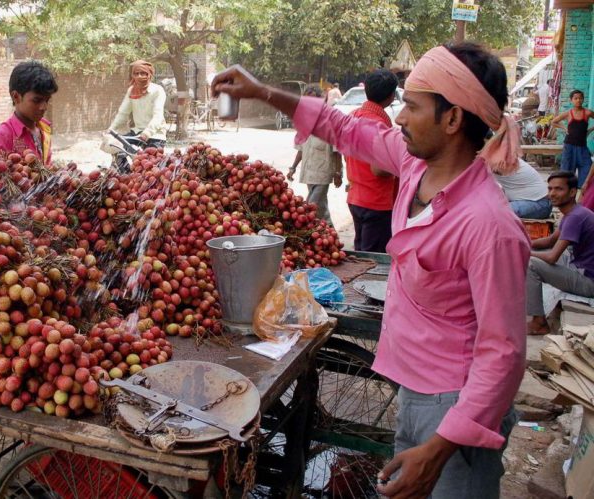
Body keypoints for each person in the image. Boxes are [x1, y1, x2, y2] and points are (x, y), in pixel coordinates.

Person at [213, 41, 529, 499]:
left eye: (413, 106)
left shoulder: (489, 226)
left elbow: (503, 356)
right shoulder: (414, 166)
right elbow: (341, 128)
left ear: (453, 119)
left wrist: (439, 450)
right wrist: (263, 92)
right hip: (415, 391)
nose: (399, 117)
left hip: (456, 410)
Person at [526, 171, 594, 334]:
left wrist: (524, 252)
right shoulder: (574, 213)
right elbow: (549, 241)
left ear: (572, 192)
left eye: (558, 189)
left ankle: (539, 322)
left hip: (590, 281)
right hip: (580, 268)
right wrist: (523, 244)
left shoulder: (575, 217)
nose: (552, 194)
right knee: (533, 255)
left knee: (530, 265)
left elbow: (551, 257)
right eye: (550, 189)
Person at [345, 69, 399, 252]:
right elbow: (379, 169)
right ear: (391, 96)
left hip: (356, 197)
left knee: (362, 253)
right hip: (376, 201)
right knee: (373, 260)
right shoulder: (378, 124)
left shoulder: (353, 116)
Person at [286, 86, 342, 226]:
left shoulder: (329, 121)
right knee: (321, 208)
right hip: (309, 173)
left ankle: (314, 234)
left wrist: (338, 172)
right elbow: (301, 149)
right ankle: (330, 233)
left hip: (323, 173)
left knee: (311, 206)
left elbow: (337, 151)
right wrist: (293, 168)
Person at [0, 60, 58, 165]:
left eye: (47, 100)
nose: (44, 107)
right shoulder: (2, 136)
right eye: (37, 100)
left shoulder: (44, 128)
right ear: (16, 97)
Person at [109, 60, 167, 149]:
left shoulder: (157, 91)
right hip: (136, 133)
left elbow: (157, 116)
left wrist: (147, 133)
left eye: (143, 73)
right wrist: (111, 129)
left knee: (148, 161)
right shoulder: (132, 91)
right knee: (117, 147)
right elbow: (123, 113)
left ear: (149, 74)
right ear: (133, 75)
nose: (139, 76)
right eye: (136, 74)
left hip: (155, 135)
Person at [551, 90, 594, 188]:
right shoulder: (568, 114)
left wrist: (590, 130)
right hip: (569, 147)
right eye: (575, 98)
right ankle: (566, 196)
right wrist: (564, 128)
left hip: (583, 147)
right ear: (571, 100)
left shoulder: (587, 113)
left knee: (587, 169)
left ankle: (581, 195)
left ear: (583, 99)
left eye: (580, 98)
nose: (578, 100)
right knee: (566, 173)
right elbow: (554, 122)